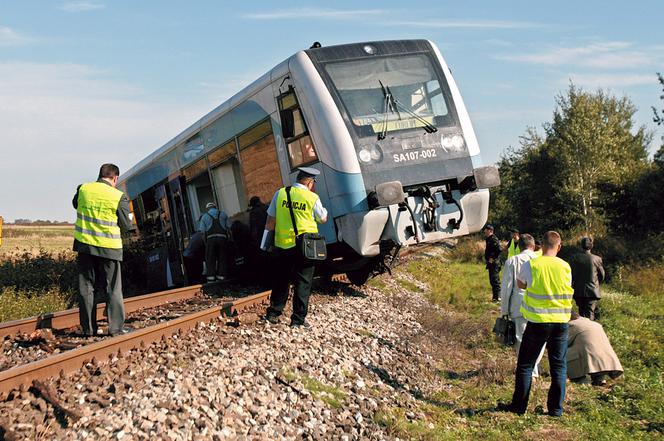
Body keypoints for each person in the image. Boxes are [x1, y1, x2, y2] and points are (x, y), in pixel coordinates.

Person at [501, 231, 573, 417]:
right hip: (561, 322)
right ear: (559, 246)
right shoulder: (565, 266)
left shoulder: (532, 264)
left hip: (538, 321)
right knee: (559, 366)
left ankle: (519, 407)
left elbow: (520, 284)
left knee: (525, 365)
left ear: (542, 246)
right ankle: (556, 409)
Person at [261, 167, 328, 327]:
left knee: (281, 280)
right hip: (306, 246)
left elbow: (270, 221)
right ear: (310, 182)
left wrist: (264, 244)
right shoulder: (312, 197)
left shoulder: (280, 193)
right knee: (303, 282)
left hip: (284, 245)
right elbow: (323, 218)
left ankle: (273, 314)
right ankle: (297, 321)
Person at [72, 163, 134, 336]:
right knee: (113, 288)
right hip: (109, 248)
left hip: (85, 246)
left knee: (86, 287)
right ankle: (115, 329)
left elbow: (76, 205)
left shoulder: (83, 189)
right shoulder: (118, 196)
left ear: (100, 175)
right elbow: (126, 225)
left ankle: (88, 329)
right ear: (115, 178)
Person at [500, 233, 544, 376]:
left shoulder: (512, 261)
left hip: (518, 305)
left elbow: (506, 288)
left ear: (519, 246)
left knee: (521, 337)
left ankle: (526, 368)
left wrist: (504, 310)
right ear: (533, 246)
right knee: (539, 338)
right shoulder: (542, 261)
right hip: (539, 305)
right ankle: (533, 367)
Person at [567, 312, 623, 386]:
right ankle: (600, 379)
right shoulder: (595, 324)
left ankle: (581, 380)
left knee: (564, 352)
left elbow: (564, 342)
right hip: (606, 358)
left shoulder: (572, 325)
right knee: (594, 357)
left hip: (588, 356)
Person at [569, 237, 605, 320]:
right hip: (592, 290)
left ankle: (583, 329)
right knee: (590, 312)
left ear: (581, 246)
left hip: (578, 290)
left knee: (581, 312)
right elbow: (602, 275)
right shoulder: (597, 259)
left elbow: (571, 274)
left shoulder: (574, 258)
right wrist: (596, 282)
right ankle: (590, 329)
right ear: (591, 246)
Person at [199, 202, 231, 282]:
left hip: (210, 239)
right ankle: (221, 277)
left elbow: (202, 233)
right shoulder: (223, 214)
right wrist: (229, 240)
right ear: (215, 207)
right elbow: (229, 228)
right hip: (222, 238)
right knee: (222, 258)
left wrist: (206, 244)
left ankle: (211, 278)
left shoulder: (204, 216)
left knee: (210, 259)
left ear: (207, 209)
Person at [484, 224, 502, 302]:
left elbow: (499, 250)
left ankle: (497, 298)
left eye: (487, 230)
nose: (485, 231)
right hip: (491, 263)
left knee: (495, 280)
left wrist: (493, 258)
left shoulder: (494, 239)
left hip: (495, 263)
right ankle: (495, 297)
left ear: (491, 231)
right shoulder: (488, 239)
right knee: (492, 280)